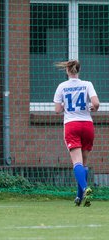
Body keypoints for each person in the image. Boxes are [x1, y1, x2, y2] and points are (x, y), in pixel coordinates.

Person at [53, 60, 99, 207]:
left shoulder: (62, 86)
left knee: (76, 163)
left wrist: (65, 104)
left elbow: (57, 110)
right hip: (87, 125)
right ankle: (79, 197)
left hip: (71, 125)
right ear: (78, 70)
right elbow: (96, 103)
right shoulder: (87, 84)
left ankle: (85, 189)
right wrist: (93, 108)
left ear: (67, 71)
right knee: (84, 163)